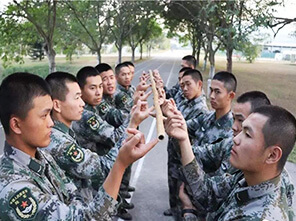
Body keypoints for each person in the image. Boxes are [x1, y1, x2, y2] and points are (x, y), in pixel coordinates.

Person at [0, 72, 158, 220]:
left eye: (49, 115)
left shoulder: (42, 156)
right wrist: (120, 164)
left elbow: (73, 195)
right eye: (43, 116)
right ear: (16, 125)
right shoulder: (14, 189)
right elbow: (88, 217)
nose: (50, 123)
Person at [165, 104, 296, 220]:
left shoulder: (260, 215)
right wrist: (183, 139)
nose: (235, 139)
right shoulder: (254, 175)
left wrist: (189, 213)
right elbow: (208, 194)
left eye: (248, 135)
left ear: (272, 155)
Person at [162, 69, 208, 219]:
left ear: (199, 84)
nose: (185, 89)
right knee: (173, 185)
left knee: (185, 194)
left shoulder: (201, 109)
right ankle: (174, 210)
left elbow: (184, 127)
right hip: (175, 154)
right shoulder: (187, 102)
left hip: (187, 159)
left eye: (188, 84)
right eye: (182, 86)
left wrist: (167, 117)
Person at [187, 71, 236, 146]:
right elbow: (183, 126)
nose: (212, 96)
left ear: (231, 96)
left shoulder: (231, 131)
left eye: (217, 92)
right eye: (211, 90)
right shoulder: (206, 117)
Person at [95, 63, 124, 128]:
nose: (110, 82)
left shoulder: (114, 94)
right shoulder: (98, 101)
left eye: (111, 78)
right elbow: (119, 119)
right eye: (104, 79)